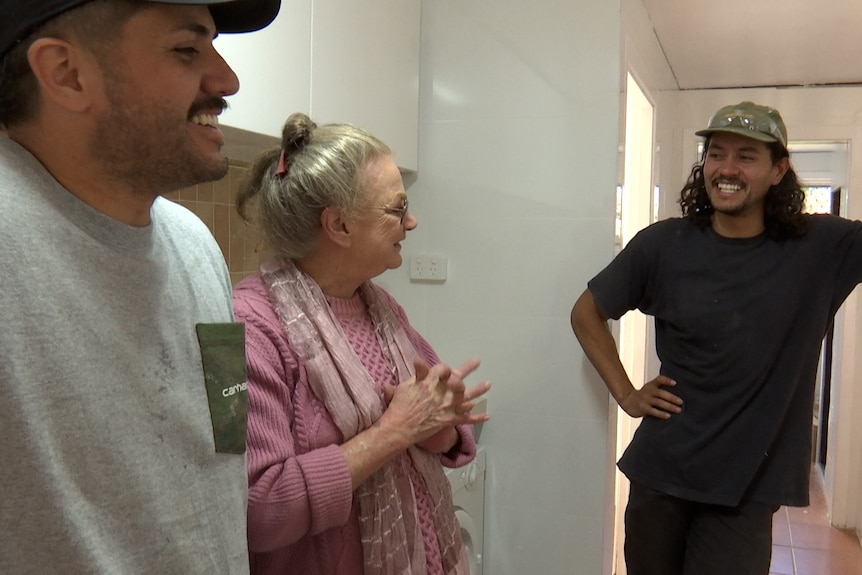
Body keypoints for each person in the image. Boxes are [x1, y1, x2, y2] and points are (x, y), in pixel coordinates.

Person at [0, 1, 279, 573]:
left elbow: (224, 443)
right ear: (65, 73)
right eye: (186, 48)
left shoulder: (197, 245)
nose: (227, 79)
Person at [571, 101, 862, 575]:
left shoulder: (821, 249)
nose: (727, 168)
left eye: (747, 156)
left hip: (746, 489)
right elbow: (587, 312)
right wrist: (625, 393)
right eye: (716, 153)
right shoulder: (664, 245)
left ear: (778, 170)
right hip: (662, 474)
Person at [232, 112, 491, 575]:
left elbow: (442, 429)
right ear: (340, 226)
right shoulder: (252, 326)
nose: (411, 222)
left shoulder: (381, 306)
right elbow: (261, 510)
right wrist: (395, 431)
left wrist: (439, 426)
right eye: (396, 208)